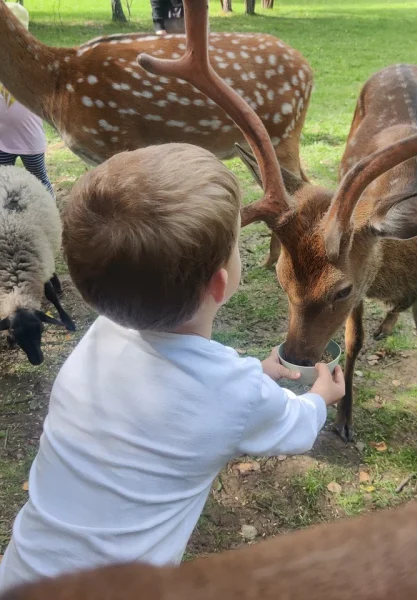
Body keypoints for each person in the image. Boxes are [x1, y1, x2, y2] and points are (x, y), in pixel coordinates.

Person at [0, 143, 345, 591]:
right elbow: (294, 425)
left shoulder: (101, 335)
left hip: (23, 574)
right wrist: (321, 397)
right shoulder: (236, 394)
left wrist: (255, 374)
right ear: (221, 282)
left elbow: (190, 396)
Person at [0, 3, 55, 198]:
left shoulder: (33, 63)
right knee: (2, 179)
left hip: (29, 138)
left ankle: (51, 211)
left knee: (39, 177)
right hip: (2, 138)